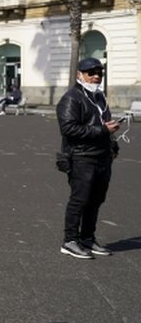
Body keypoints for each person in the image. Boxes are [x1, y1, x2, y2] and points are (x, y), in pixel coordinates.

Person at [55, 57, 120, 259]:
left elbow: (103, 124)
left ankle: (87, 238)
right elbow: (68, 129)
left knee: (96, 200)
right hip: (81, 157)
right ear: (79, 75)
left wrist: (112, 144)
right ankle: (70, 241)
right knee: (79, 200)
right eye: (90, 72)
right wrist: (102, 130)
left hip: (102, 157)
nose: (96, 76)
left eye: (99, 73)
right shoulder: (71, 98)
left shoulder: (99, 97)